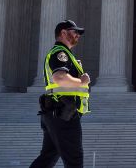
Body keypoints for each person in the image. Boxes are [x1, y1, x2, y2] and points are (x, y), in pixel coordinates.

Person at [30, 19, 91, 168]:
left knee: (47, 158)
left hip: (55, 112)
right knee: (74, 160)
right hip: (63, 113)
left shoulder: (64, 54)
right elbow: (60, 78)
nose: (78, 35)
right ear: (63, 33)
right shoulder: (60, 53)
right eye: (75, 32)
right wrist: (82, 81)